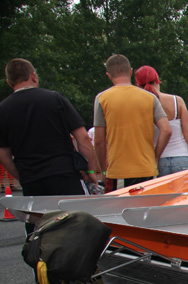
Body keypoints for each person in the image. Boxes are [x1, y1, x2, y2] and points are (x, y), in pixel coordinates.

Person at [0, 59, 96, 219]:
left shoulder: (3, 110)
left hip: (31, 181)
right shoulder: (55, 99)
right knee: (79, 222)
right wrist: (89, 170)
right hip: (64, 174)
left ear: (10, 83)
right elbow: (83, 137)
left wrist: (23, 176)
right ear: (33, 76)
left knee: (41, 227)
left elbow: (3, 155)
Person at [93, 54, 171, 190]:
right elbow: (167, 130)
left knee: (121, 204)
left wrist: (103, 170)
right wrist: (155, 156)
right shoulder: (150, 97)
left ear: (109, 75)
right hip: (147, 169)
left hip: (119, 171)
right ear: (130, 72)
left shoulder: (102, 98)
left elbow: (99, 141)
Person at [135, 65, 188, 176]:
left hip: (157, 160)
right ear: (157, 80)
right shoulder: (177, 101)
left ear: (138, 85)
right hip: (182, 157)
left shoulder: (140, 106)